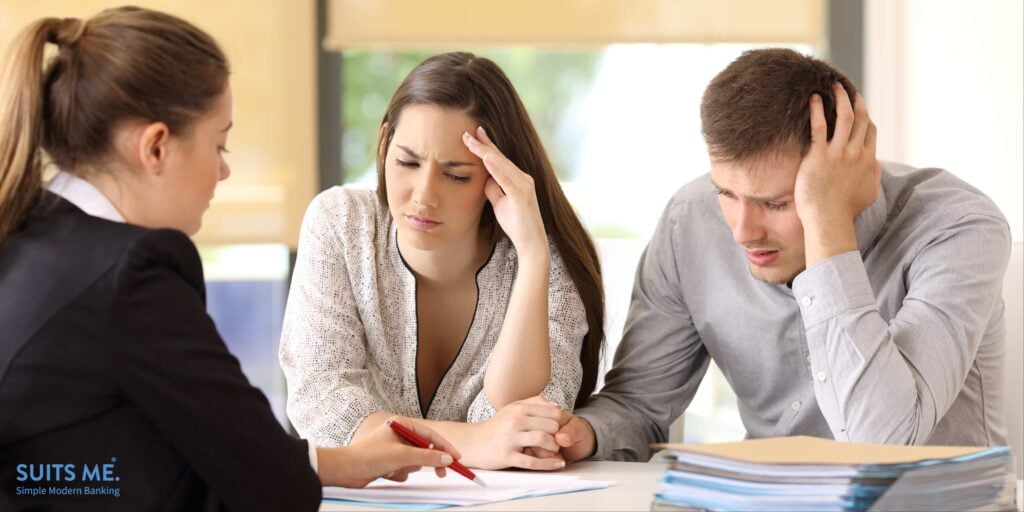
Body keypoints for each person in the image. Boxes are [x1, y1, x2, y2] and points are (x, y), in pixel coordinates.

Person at [0, 7, 459, 511]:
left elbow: (94, 471)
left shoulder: (28, 236)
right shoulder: (130, 274)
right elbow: (273, 486)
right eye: (218, 144)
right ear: (155, 147)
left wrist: (339, 462)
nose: (222, 171)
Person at [547, 48, 1011, 462]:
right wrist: (581, 434)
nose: (743, 232)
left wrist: (829, 225)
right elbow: (638, 404)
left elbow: (884, 442)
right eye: (726, 193)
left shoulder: (958, 227)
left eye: (777, 203)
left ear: (854, 167)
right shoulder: (689, 221)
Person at [279, 52, 605, 470]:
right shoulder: (341, 222)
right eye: (407, 162)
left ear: (498, 173)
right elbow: (322, 405)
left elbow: (524, 426)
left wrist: (533, 256)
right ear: (383, 144)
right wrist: (473, 442)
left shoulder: (546, 256)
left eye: (457, 175)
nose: (424, 196)